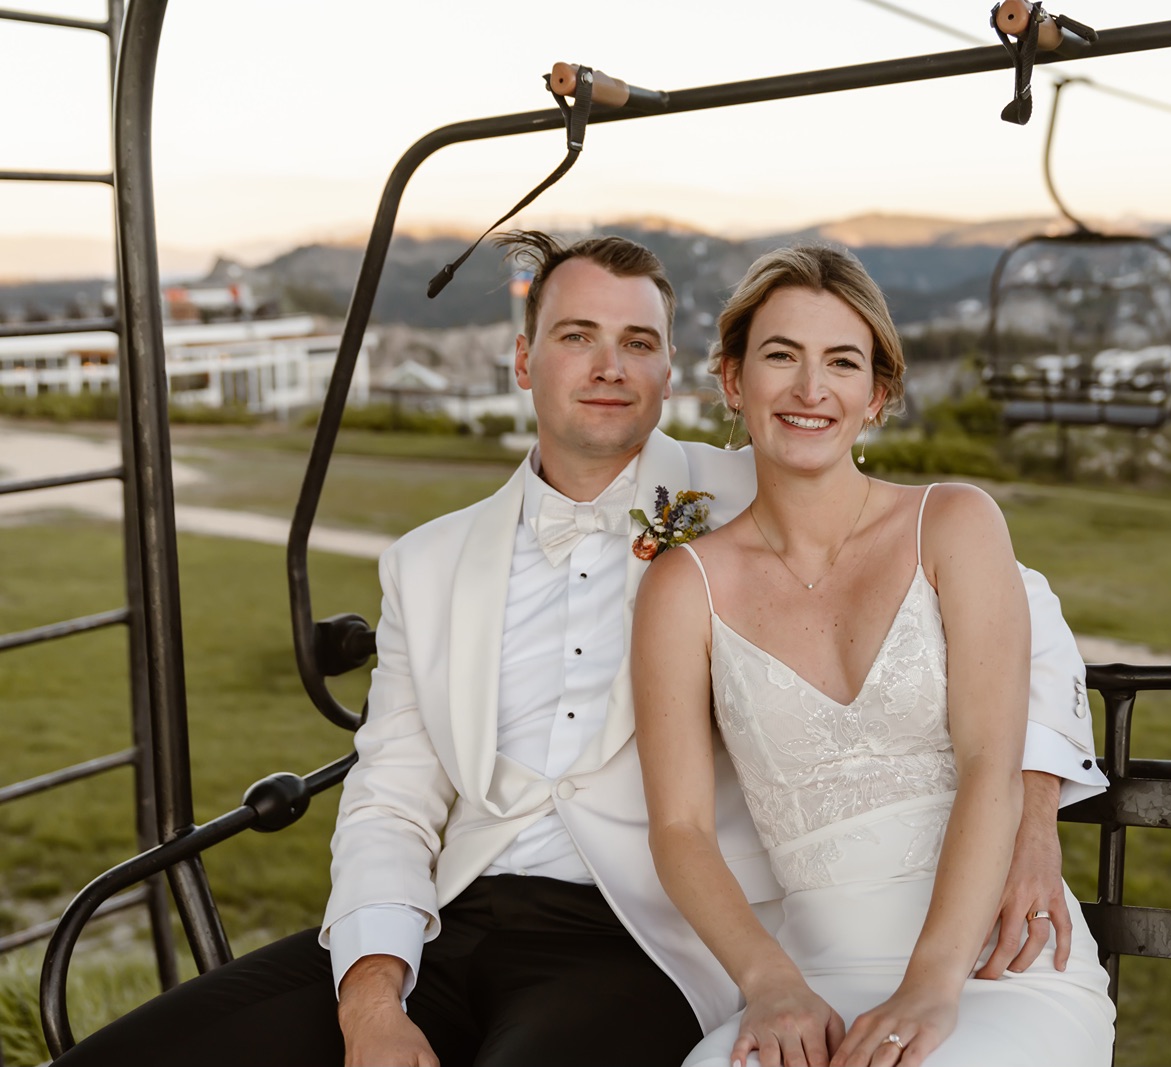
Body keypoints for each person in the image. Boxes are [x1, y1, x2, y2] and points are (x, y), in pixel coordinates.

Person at [52, 233, 1106, 1067]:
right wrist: (372, 991)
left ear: (679, 370)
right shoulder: (426, 561)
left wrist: (1031, 820)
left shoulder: (767, 479)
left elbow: (1021, 615)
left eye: (638, 341)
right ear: (523, 357)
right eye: (576, 336)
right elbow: (391, 798)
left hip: (635, 937)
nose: (609, 367)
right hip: (452, 916)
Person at [633, 245, 1116, 1067]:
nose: (810, 389)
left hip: (990, 967)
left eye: (842, 362)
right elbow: (678, 827)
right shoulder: (684, 587)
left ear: (878, 394)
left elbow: (991, 763)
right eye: (781, 355)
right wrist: (770, 981)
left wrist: (931, 986)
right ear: (732, 379)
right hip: (811, 976)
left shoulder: (954, 525)